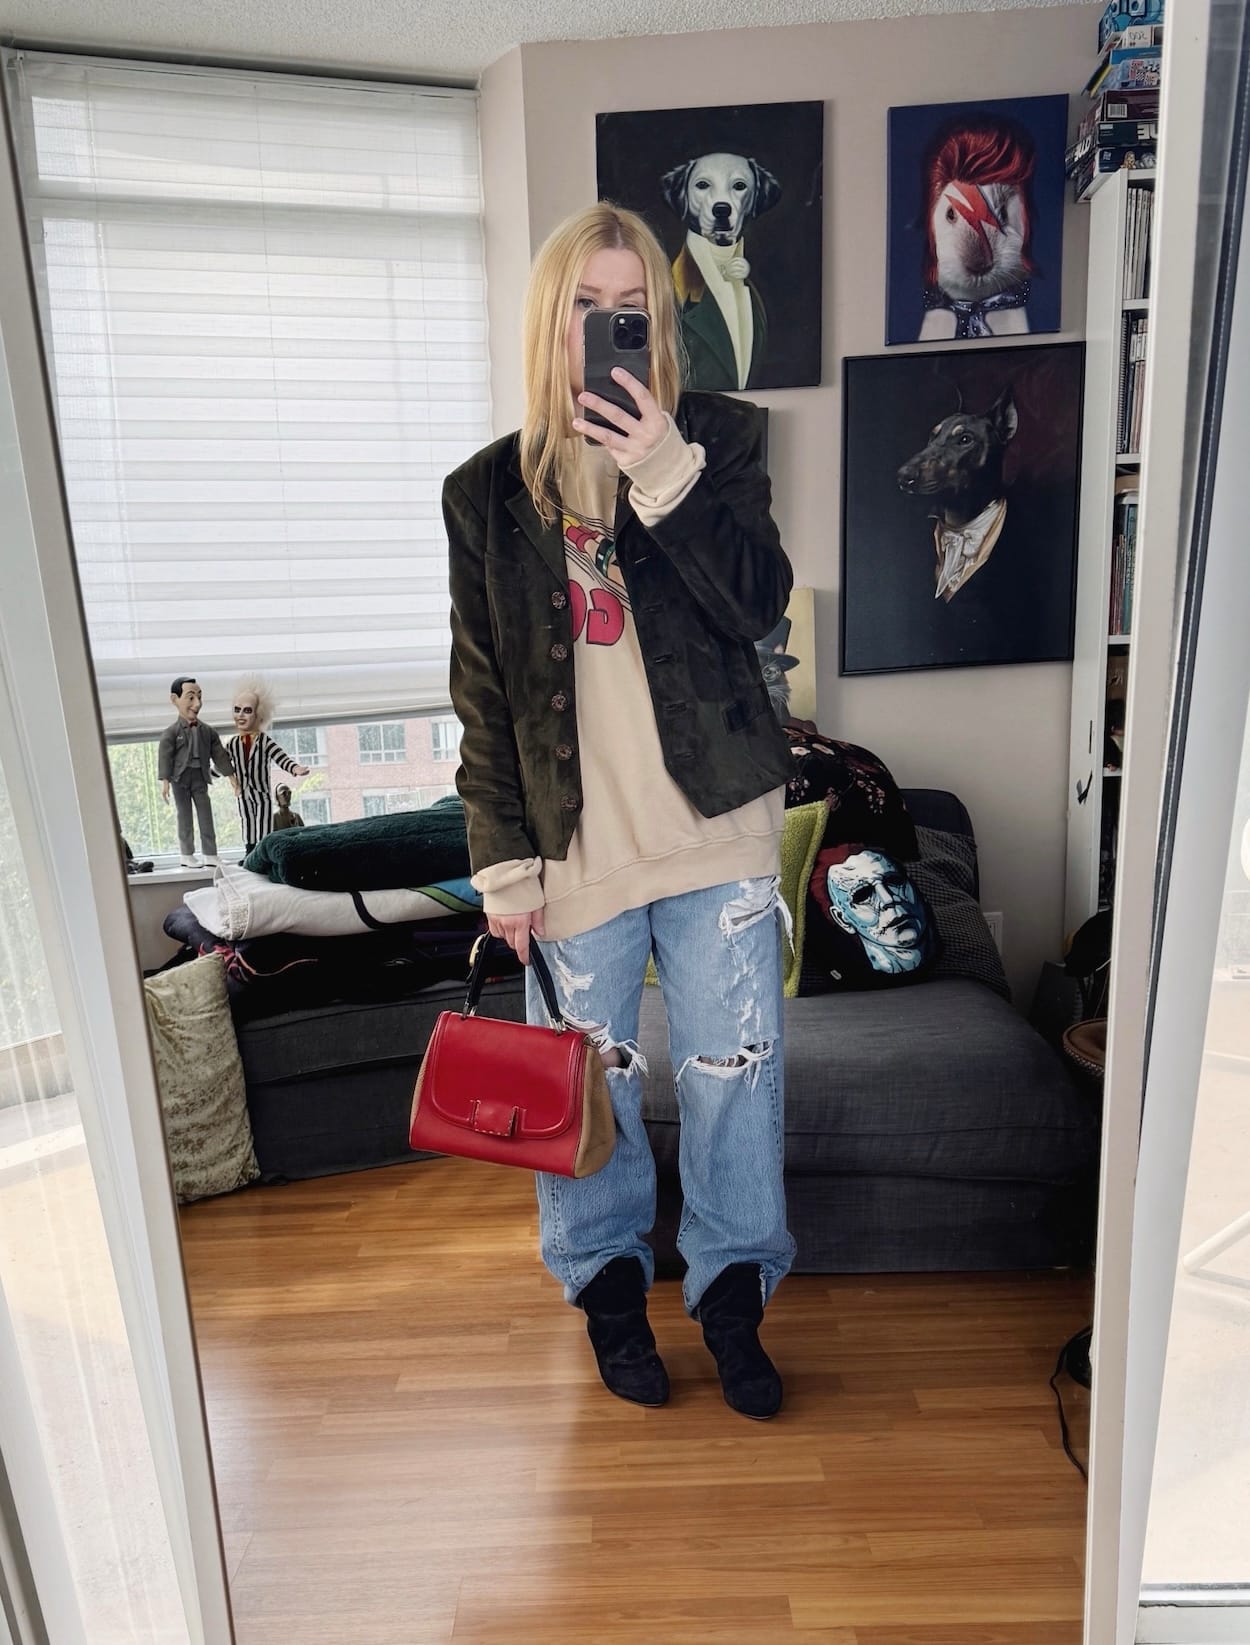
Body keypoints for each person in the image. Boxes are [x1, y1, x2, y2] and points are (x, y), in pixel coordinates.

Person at [444, 202, 797, 1419]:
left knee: (730, 1076)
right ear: (553, 323)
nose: (609, 331)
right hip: (574, 851)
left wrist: (662, 472)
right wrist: (501, 871)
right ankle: (607, 1296)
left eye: (630, 312)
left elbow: (754, 606)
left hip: (716, 833)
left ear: (660, 321)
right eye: (586, 311)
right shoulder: (484, 496)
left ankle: (731, 1302)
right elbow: (483, 694)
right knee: (582, 1088)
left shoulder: (722, 443)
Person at [158, 677, 239, 867]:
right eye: (191, 698)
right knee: (184, 815)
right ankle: (186, 854)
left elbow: (219, 755)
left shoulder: (207, 732)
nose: (197, 704)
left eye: (200, 698)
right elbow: (165, 756)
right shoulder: (171, 732)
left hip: (200, 776)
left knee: (205, 813)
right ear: (174, 699)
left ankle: (210, 854)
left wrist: (231, 776)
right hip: (180, 778)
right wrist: (165, 780)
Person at [225, 677, 309, 851]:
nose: (240, 715)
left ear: (258, 715)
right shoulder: (233, 744)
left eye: (247, 710)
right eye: (237, 709)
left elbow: (281, 757)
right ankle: (249, 851)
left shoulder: (264, 742)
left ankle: (263, 852)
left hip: (261, 793)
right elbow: (222, 764)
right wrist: (203, 775)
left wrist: (294, 768)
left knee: (263, 823)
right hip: (243, 793)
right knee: (247, 821)